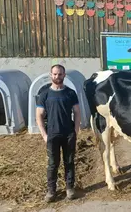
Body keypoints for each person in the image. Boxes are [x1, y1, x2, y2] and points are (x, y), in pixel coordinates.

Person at [36, 64, 81, 202]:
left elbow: (77, 112)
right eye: (55, 74)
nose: (57, 76)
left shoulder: (70, 93)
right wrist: (44, 134)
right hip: (52, 134)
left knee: (69, 161)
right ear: (51, 75)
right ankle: (51, 191)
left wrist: (76, 130)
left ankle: (69, 188)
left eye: (60, 74)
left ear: (64, 75)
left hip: (68, 133)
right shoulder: (45, 94)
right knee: (52, 163)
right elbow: (39, 115)